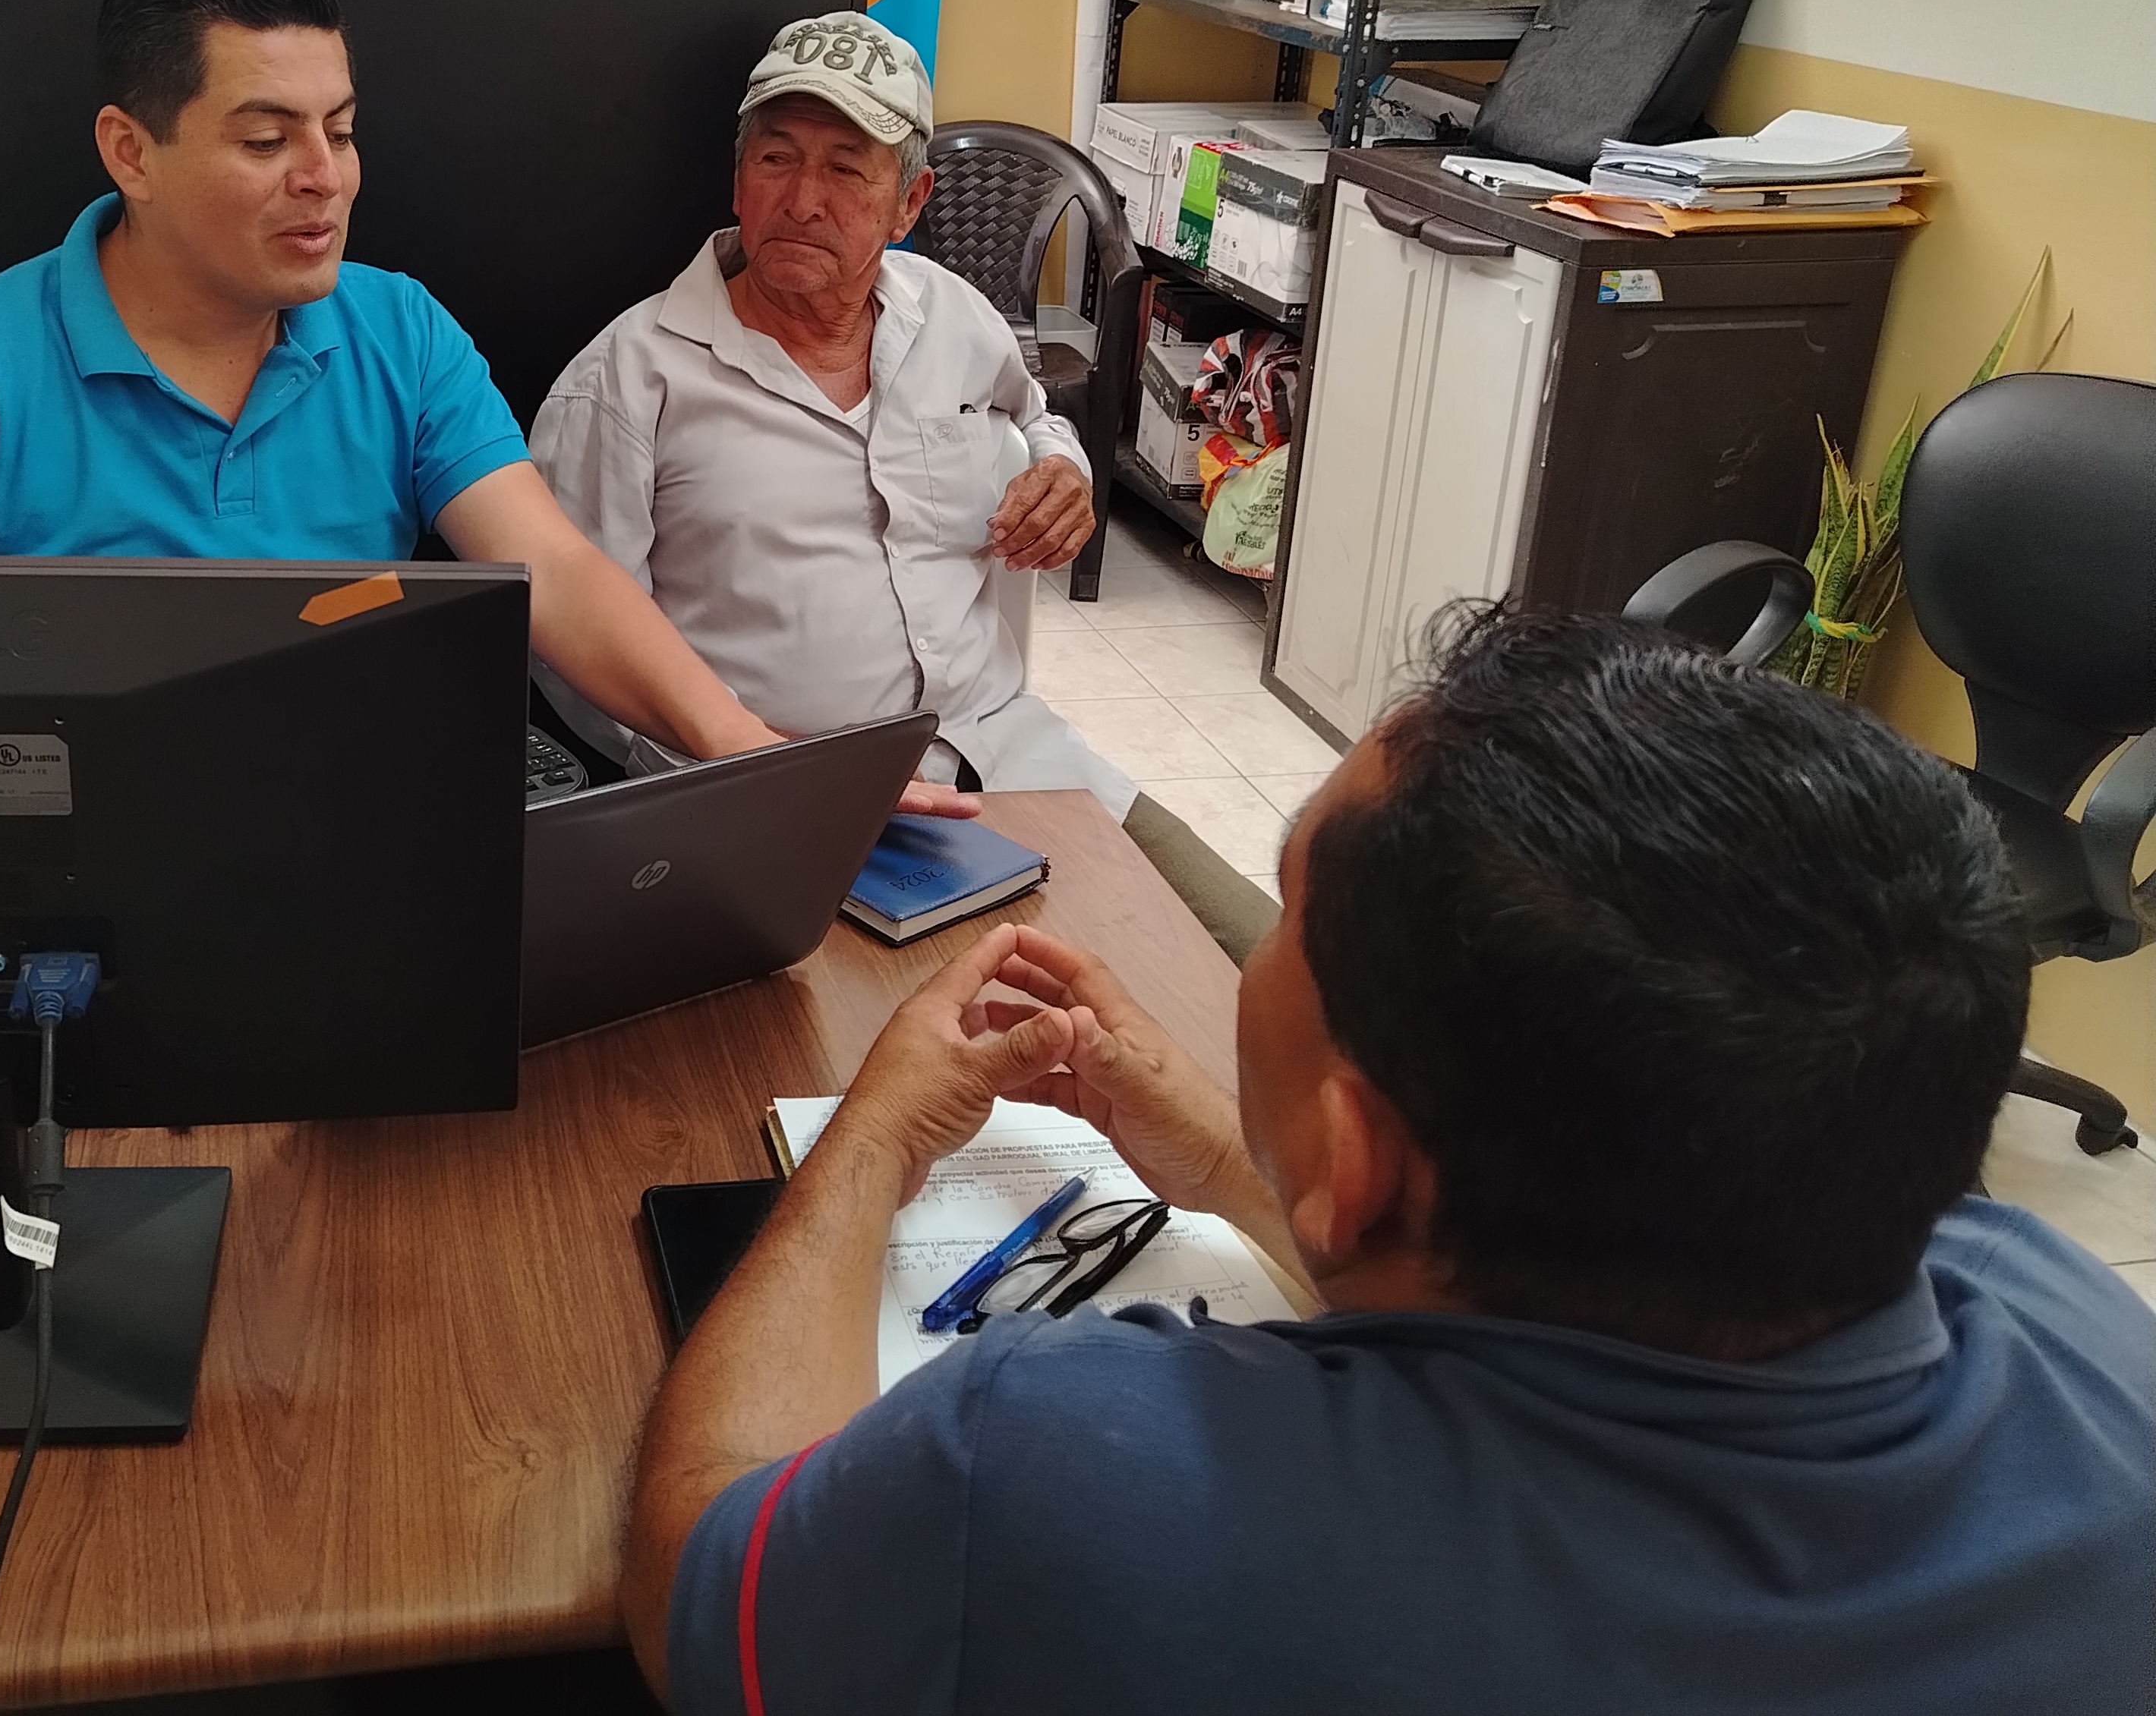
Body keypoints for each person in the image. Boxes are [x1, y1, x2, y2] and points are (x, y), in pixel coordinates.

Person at [622, 606, 2156, 1713]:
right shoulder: (2075, 1329)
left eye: (1285, 910)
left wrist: (873, 1138)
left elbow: (699, 1585)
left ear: (1358, 1158)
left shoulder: (1057, 1476)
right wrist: (1236, 1163)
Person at [0, 0, 967, 808]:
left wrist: (751, 755)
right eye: (267, 141)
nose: (325, 176)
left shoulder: (397, 331)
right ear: (132, 152)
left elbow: (558, 572)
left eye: (343, 130)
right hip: (88, 854)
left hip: (355, 835)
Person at [530, 11, 1131, 813]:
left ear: (909, 203)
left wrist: (1064, 468)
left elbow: (1036, 416)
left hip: (1006, 747)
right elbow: (571, 650)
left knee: (1207, 892)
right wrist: (734, 763)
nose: (803, 202)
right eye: (776, 159)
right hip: (775, 795)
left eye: (847, 170)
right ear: (738, 182)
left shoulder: (952, 314)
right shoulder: (627, 380)